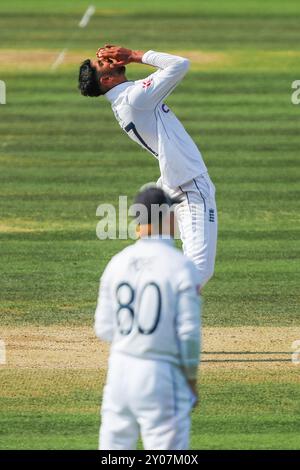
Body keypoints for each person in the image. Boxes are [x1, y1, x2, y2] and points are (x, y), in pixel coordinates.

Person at [79, 46, 217, 290]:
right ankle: (150, 307)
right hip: (189, 185)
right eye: (103, 63)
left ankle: (138, 292)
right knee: (199, 270)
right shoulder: (135, 98)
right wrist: (133, 55)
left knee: (155, 252)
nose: (107, 59)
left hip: (172, 184)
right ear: (107, 79)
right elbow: (180, 64)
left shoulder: (126, 98)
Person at [94, 186, 201, 450]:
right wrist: (191, 381)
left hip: (118, 373)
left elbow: (104, 328)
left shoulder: (117, 263)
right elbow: (188, 335)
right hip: (161, 374)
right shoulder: (181, 267)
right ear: (164, 215)